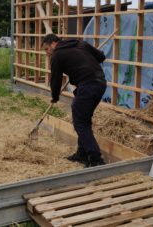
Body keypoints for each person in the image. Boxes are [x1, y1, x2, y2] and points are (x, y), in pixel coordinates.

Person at [42, 34, 107, 167]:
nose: (47, 54)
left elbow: (56, 79)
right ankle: (82, 153)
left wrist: (55, 97)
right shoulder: (81, 44)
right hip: (100, 84)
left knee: (80, 122)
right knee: (84, 119)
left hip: (88, 86)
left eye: (46, 49)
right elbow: (101, 57)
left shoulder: (57, 55)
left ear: (54, 43)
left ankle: (95, 159)